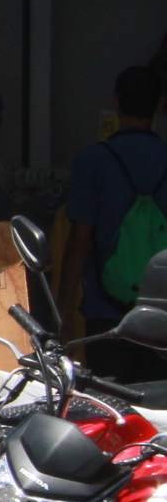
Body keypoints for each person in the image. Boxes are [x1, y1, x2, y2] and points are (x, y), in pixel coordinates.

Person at [66, 65, 167, 380]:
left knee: (109, 402)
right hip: (163, 316)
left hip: (106, 315)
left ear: (115, 101)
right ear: (159, 104)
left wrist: (62, 308)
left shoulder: (92, 161)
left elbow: (80, 241)